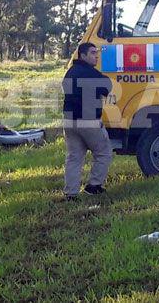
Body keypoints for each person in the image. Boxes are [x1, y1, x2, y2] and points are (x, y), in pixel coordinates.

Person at [61, 43, 113, 200]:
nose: (96, 55)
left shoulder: (70, 72)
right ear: (82, 55)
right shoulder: (90, 73)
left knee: (74, 157)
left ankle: (71, 193)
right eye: (92, 53)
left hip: (69, 121)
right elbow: (107, 87)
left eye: (96, 52)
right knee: (103, 152)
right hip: (88, 121)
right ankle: (94, 186)